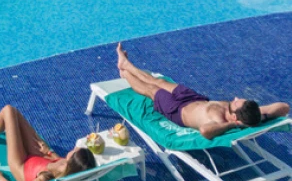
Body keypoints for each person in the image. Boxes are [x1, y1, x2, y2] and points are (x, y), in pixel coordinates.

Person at [116, 43, 290, 140]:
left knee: (151, 90)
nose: (235, 97)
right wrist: (261, 116)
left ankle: (125, 72)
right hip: (194, 99)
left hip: (177, 110)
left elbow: (205, 132)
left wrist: (231, 125)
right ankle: (127, 65)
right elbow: (283, 107)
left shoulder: (219, 121)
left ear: (235, 118)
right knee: (158, 81)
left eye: (236, 102)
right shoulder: (251, 116)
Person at [0, 105, 96, 181]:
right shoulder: (68, 167)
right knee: (14, 112)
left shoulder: (46, 178)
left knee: (8, 110)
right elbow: (56, 159)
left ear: (72, 160)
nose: (73, 148)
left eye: (74, 150)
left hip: (21, 166)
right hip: (38, 158)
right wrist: (48, 151)